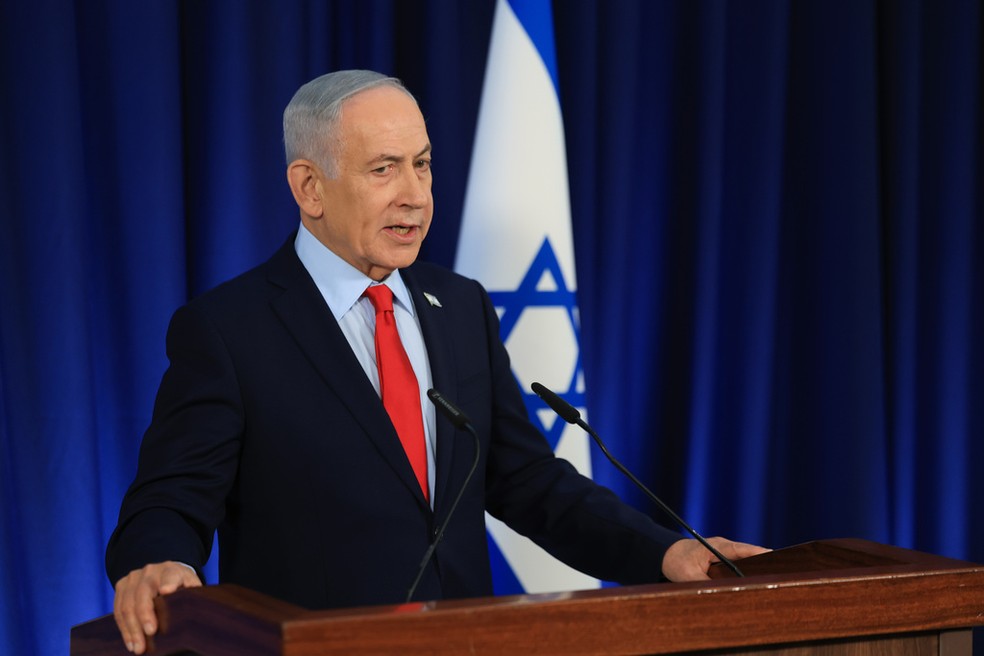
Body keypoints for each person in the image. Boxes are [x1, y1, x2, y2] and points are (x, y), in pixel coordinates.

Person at [107, 69, 766, 655]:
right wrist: (159, 560)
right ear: (310, 187)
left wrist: (664, 550)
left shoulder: (458, 306)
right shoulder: (230, 329)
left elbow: (526, 480)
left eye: (422, 165)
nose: (415, 195)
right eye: (383, 169)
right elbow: (172, 494)